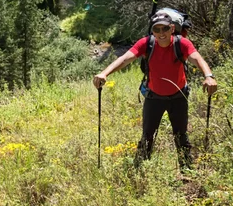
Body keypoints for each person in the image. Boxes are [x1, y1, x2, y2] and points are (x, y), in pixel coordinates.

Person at [92, 11, 218, 170]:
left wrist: (209, 76)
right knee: (147, 138)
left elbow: (197, 58)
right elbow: (125, 58)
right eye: (156, 29)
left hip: (178, 97)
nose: (161, 33)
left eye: (164, 29)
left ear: (172, 28)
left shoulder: (182, 44)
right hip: (154, 98)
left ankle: (188, 173)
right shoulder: (146, 44)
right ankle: (139, 172)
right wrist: (104, 73)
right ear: (152, 31)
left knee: (181, 137)